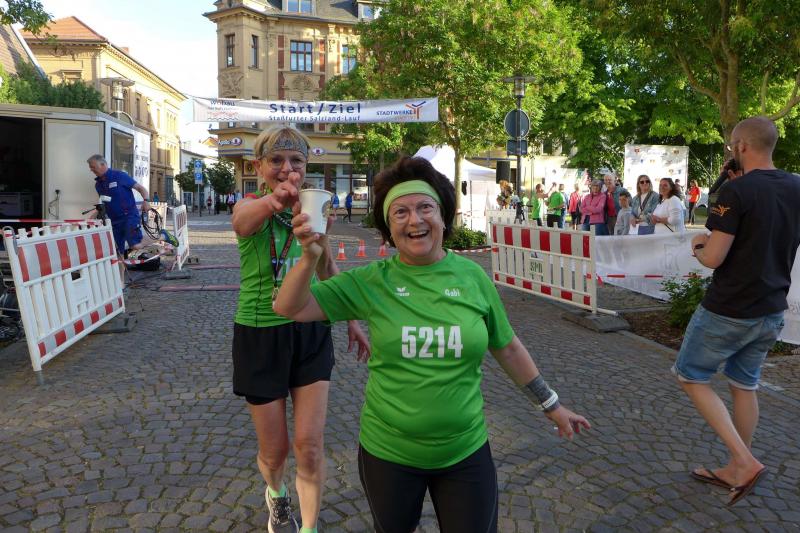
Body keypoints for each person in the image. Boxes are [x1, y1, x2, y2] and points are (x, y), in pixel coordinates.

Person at [274, 156, 589, 532]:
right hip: (388, 454)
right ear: (389, 228)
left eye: (425, 207)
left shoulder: (472, 277)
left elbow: (507, 347)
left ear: (443, 216)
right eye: (400, 212)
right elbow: (289, 307)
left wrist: (551, 405)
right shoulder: (373, 281)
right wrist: (310, 257)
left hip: (465, 451)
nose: (415, 220)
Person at [230, 126, 369, 533]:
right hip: (260, 334)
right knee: (275, 452)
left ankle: (308, 527)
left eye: (296, 161)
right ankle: (276, 493)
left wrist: (351, 319)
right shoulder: (253, 205)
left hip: (310, 331)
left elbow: (327, 266)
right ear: (259, 166)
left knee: (309, 445)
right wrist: (275, 201)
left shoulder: (313, 209)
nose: (287, 169)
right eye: (276, 160)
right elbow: (241, 223)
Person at [672, 116, 800, 506]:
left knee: (690, 375)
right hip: (771, 307)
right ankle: (736, 463)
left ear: (742, 146)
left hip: (729, 307)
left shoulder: (736, 191)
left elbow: (713, 258)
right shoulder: (796, 186)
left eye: (731, 146)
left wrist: (697, 245)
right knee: (744, 384)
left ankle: (744, 462)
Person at [87, 154, 150, 256]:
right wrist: (93, 216)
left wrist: (146, 200)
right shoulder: (98, 185)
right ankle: (120, 267)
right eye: (90, 167)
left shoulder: (119, 176)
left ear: (103, 164)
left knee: (135, 245)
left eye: (93, 167)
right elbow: (104, 202)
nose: (91, 170)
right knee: (117, 252)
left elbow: (140, 188)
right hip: (114, 221)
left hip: (129, 217)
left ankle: (162, 236)